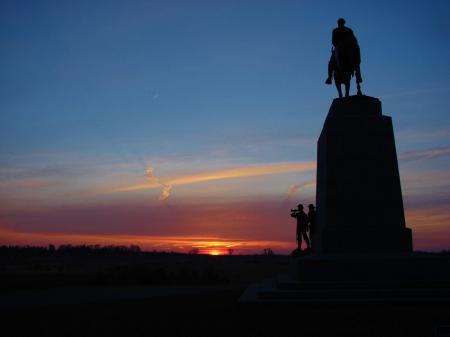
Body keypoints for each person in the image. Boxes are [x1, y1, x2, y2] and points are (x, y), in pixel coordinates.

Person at [325, 18, 362, 85]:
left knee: (356, 58)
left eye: (341, 22)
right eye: (339, 22)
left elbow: (354, 39)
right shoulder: (335, 30)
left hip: (348, 46)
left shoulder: (348, 30)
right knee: (331, 62)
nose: (340, 24)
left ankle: (358, 75)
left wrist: (353, 44)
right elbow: (333, 41)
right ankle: (330, 77)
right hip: (339, 47)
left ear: (343, 23)